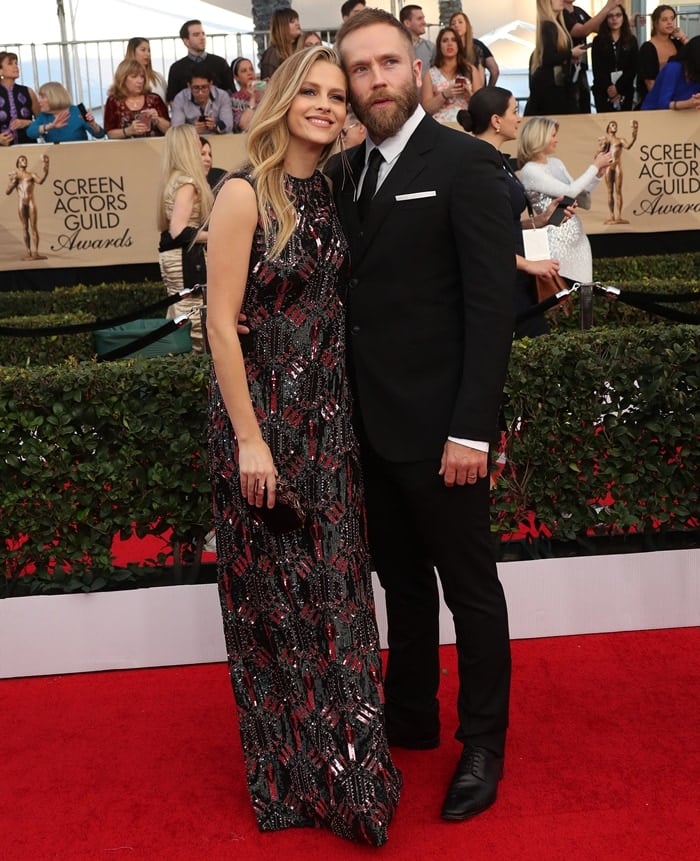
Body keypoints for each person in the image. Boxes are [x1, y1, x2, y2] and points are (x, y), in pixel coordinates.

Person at [205, 44, 402, 845]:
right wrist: (251, 441)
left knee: (340, 603)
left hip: (330, 429)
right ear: (283, 99)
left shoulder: (332, 189)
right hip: (264, 431)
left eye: (335, 93)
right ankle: (295, 777)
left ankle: (354, 774)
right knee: (278, 612)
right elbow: (221, 322)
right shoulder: (244, 194)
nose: (324, 103)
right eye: (309, 91)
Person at [327, 8, 515, 823]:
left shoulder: (468, 164)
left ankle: (482, 743)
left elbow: (491, 307)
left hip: (445, 434)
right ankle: (409, 717)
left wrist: (473, 427)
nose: (375, 81)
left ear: (417, 69)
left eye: (387, 65)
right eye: (358, 71)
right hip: (366, 432)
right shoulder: (341, 176)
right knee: (399, 582)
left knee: (469, 591)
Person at [457, 88, 561, 338]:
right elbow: (481, 241)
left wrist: (542, 219)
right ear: (496, 121)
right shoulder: (477, 166)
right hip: (499, 284)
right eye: (514, 111)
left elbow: (503, 224)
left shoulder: (497, 160)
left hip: (514, 279)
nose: (519, 118)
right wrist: (530, 265)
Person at [518, 116, 612, 284]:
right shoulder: (530, 170)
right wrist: (595, 166)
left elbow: (578, 195)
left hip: (579, 241)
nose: (556, 140)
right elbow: (569, 191)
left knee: (584, 295)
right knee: (559, 298)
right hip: (555, 242)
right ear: (540, 137)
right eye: (553, 135)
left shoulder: (556, 163)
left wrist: (597, 175)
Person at [157, 125, 212, 353]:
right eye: (195, 140)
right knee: (194, 320)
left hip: (176, 258)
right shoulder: (188, 183)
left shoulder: (174, 179)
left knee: (179, 313)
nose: (200, 143)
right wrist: (219, 236)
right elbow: (179, 230)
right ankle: (195, 375)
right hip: (187, 260)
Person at [526, 0, 589, 116]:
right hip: (550, 88)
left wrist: (569, 57)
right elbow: (548, 57)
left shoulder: (554, 24)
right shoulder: (548, 25)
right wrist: (570, 53)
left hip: (555, 85)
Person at [562, 0, 621, 113]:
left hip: (581, 69)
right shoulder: (561, 13)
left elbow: (599, 27)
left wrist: (626, 21)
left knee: (584, 107)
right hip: (565, 70)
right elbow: (581, 30)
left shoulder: (578, 11)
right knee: (571, 109)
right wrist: (607, 8)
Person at [166, 20, 233, 103]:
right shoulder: (176, 68)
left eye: (203, 33)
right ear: (186, 41)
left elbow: (231, 93)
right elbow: (172, 100)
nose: (202, 37)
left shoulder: (220, 63)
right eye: (196, 35)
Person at [637, 5, 689, 108]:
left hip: (679, 98)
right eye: (664, 20)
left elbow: (695, 56)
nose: (669, 22)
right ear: (656, 23)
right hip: (657, 101)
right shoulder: (648, 48)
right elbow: (650, 83)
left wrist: (683, 38)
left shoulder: (677, 44)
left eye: (672, 19)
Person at [104, 59, 170, 139]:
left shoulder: (154, 99)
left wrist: (157, 120)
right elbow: (110, 133)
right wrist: (128, 131)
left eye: (142, 76)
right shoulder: (113, 101)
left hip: (154, 148)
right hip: (124, 149)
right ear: (123, 78)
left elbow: (170, 130)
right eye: (134, 76)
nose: (140, 81)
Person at [591, 4, 639, 113]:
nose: (614, 19)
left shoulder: (631, 40)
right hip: (603, 90)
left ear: (623, 18)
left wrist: (618, 88)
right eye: (610, 16)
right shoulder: (598, 41)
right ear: (605, 19)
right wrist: (609, 87)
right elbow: (597, 68)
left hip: (625, 89)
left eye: (618, 15)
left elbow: (633, 67)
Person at [420, 27, 472, 122]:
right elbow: (426, 109)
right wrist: (444, 95)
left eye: (454, 40)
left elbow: (482, 106)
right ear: (439, 46)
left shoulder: (470, 70)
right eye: (445, 40)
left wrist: (469, 94)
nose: (450, 44)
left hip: (466, 124)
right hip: (441, 125)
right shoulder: (430, 74)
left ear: (458, 45)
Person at [26, 81, 105, 142]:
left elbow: (100, 135)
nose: (39, 101)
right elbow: (30, 132)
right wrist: (50, 126)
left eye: (42, 97)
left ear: (54, 97)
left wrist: (93, 124)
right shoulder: (43, 116)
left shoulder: (77, 111)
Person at [5, 153, 49, 259]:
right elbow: (7, 192)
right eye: (22, 160)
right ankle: (28, 252)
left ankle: (36, 252)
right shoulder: (15, 175)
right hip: (21, 203)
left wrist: (46, 169)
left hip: (30, 202)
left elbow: (41, 181)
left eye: (25, 159)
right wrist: (12, 183)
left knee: (34, 227)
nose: (24, 161)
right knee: (25, 228)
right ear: (18, 163)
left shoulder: (31, 174)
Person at [595, 119, 638, 224]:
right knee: (610, 191)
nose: (615, 127)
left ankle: (619, 216)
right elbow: (597, 155)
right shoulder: (605, 140)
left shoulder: (620, 140)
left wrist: (634, 136)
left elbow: (628, 146)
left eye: (616, 125)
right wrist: (600, 148)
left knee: (618, 191)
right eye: (613, 125)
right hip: (608, 166)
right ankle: (611, 216)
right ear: (608, 128)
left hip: (617, 165)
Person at [641, 35, 700, 111]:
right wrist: (688, 103)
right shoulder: (674, 68)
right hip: (654, 114)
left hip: (683, 115)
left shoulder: (697, 73)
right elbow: (662, 104)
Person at [449, 11, 497, 89]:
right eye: (453, 24)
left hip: (475, 94)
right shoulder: (449, 48)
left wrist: (488, 91)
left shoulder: (477, 47)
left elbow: (494, 70)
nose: (456, 25)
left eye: (460, 22)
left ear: (467, 25)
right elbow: (494, 70)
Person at [0, 51, 39, 145]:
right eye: (10, 64)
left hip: (28, 148)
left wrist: (27, 123)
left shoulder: (28, 92)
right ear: (0, 70)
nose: (15, 66)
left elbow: (42, 121)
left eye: (16, 63)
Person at [259, 8, 303, 80]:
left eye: (297, 20)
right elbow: (268, 84)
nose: (297, 23)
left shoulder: (300, 48)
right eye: (292, 21)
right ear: (281, 26)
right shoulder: (272, 54)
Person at [124, 37, 167, 101]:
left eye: (149, 51)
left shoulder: (158, 77)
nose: (147, 54)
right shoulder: (124, 77)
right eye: (143, 50)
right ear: (132, 51)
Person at [230, 57, 264, 132]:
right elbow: (244, 126)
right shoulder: (234, 100)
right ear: (236, 77)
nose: (249, 73)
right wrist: (252, 98)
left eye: (251, 69)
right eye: (244, 71)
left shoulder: (265, 94)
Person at [400, 5, 435, 70]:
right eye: (419, 19)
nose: (424, 22)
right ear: (407, 23)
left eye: (423, 18)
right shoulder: (394, 46)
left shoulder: (431, 47)